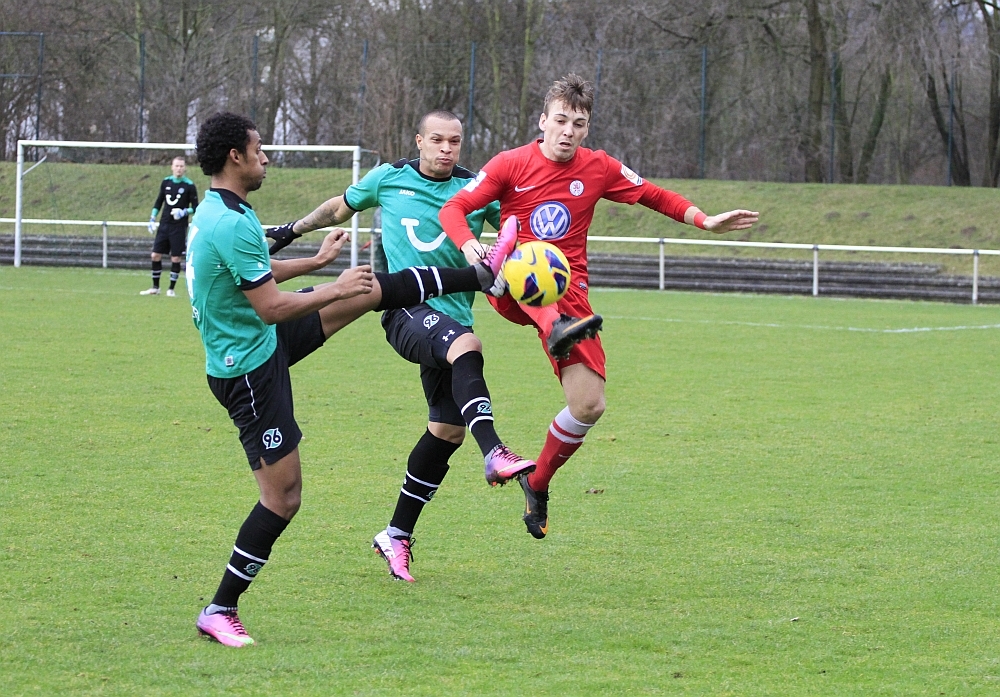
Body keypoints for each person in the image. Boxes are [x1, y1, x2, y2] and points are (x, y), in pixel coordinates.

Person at [187, 111, 512, 647]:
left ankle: (473, 277)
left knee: (367, 293)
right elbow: (270, 306)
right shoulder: (233, 222)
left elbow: (255, 272)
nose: (266, 157)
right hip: (248, 370)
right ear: (234, 157)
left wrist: (316, 262)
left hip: (259, 343)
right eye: (259, 149)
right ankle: (220, 608)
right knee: (283, 498)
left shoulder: (221, 210)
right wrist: (333, 287)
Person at [440, 75, 759, 540]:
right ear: (543, 121)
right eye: (561, 121)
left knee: (589, 405)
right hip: (509, 280)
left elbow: (653, 195)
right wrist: (471, 247)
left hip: (570, 295)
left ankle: (537, 482)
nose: (568, 131)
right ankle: (549, 317)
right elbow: (453, 209)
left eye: (578, 124)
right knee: (523, 258)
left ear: (587, 128)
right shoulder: (510, 163)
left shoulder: (598, 167)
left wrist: (705, 220)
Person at [266, 110, 576, 582]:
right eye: (436, 139)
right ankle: (494, 451)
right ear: (419, 140)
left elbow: (518, 233)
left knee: (446, 431)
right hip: (404, 310)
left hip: (452, 319)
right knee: (467, 345)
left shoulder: (474, 189)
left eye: (454, 141)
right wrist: (293, 230)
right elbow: (338, 208)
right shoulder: (388, 178)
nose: (446, 149)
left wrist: (528, 259)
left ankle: (396, 534)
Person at [140, 156, 198, 297]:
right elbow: (159, 201)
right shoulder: (166, 182)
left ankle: (171, 289)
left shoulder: (189, 185)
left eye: (181, 166)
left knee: (176, 258)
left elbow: (196, 207)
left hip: (179, 227)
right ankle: (155, 287)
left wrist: (184, 212)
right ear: (172, 167)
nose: (179, 168)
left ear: (185, 168)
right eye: (176, 166)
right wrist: (152, 217)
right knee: (155, 255)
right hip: (164, 225)